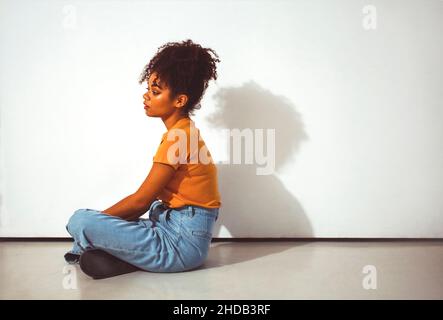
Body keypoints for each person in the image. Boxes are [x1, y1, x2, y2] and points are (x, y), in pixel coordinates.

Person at [64, 39, 222, 279]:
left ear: (180, 101)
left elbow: (140, 201)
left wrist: (93, 224)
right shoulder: (184, 132)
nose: (146, 96)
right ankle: (122, 255)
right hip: (168, 228)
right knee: (95, 246)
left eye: (155, 92)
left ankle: (101, 246)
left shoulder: (178, 138)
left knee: (80, 220)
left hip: (180, 245)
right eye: (148, 89)